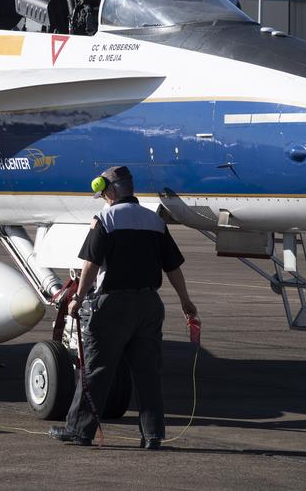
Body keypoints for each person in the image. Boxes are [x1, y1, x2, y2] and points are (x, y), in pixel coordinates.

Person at [49, 165, 197, 449]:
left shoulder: (106, 219)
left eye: (105, 194)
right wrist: (185, 301)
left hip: (113, 305)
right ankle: (153, 435)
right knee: (147, 373)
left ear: (113, 191)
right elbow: (173, 267)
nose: (105, 199)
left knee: (96, 368)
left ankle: (80, 430)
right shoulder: (154, 222)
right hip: (148, 305)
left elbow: (91, 263)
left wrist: (78, 297)